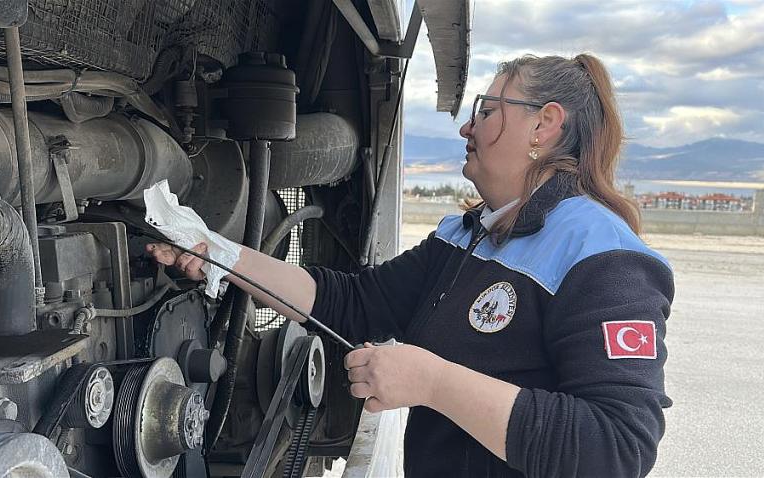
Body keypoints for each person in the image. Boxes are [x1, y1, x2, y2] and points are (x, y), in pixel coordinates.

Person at [148, 53, 674, 477]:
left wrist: (433, 382)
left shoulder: (605, 258)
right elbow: (352, 301)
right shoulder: (466, 236)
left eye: (488, 111)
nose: (467, 127)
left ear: (544, 124)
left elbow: (616, 448)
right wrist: (220, 255)